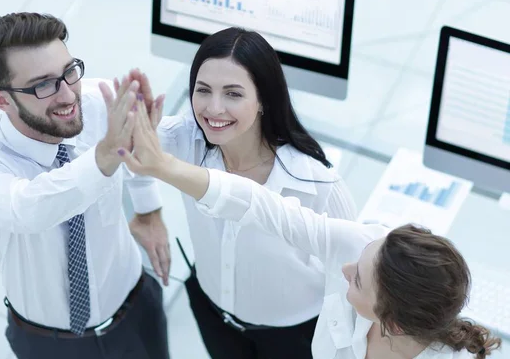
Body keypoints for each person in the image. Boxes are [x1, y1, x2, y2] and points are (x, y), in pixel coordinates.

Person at [117, 99, 503, 359]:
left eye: (357, 282)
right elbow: (263, 208)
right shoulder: (359, 244)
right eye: (363, 259)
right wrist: (166, 168)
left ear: (393, 323)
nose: (345, 269)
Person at [122, 26, 357, 358]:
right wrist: (147, 210)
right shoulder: (187, 139)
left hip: (295, 335)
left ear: (263, 100)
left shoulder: (315, 181)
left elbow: (353, 269)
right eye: (203, 90)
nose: (214, 109)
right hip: (214, 314)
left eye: (233, 94)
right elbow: (131, 150)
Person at [0, 13, 170, 359]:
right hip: (49, 343)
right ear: (1, 100)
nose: (67, 95)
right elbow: (28, 210)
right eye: (43, 85)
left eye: (69, 71)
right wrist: (103, 158)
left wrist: (148, 208)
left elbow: (140, 140)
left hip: (136, 309)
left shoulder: (97, 102)